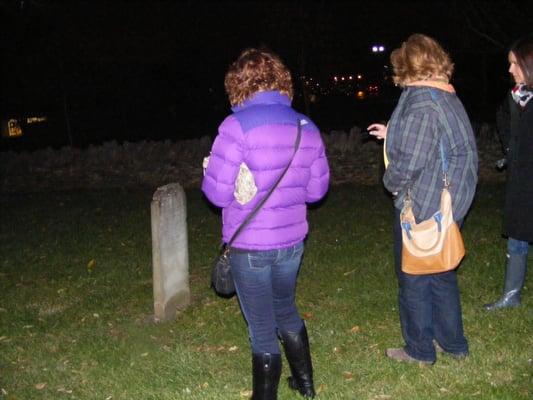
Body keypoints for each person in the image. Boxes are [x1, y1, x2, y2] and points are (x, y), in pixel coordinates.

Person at [202, 47, 329, 399]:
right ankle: (306, 385)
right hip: (291, 243)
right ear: (280, 81)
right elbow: (317, 190)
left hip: (250, 247)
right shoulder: (307, 126)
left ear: (237, 84)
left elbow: (216, 195)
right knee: (286, 308)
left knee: (261, 329)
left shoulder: (235, 126)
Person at [368, 34, 478, 364]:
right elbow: (432, 137)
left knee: (414, 274)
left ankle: (419, 350)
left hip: (428, 199)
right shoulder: (441, 93)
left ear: (408, 65)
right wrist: (393, 132)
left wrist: (390, 183)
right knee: (440, 270)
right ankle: (452, 343)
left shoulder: (422, 102)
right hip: (450, 197)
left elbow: (410, 161)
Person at [484, 35, 533, 311]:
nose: (510, 70)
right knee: (517, 235)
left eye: (515, 64)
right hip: (521, 181)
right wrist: (511, 152)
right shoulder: (514, 98)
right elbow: (503, 121)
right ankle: (511, 295)